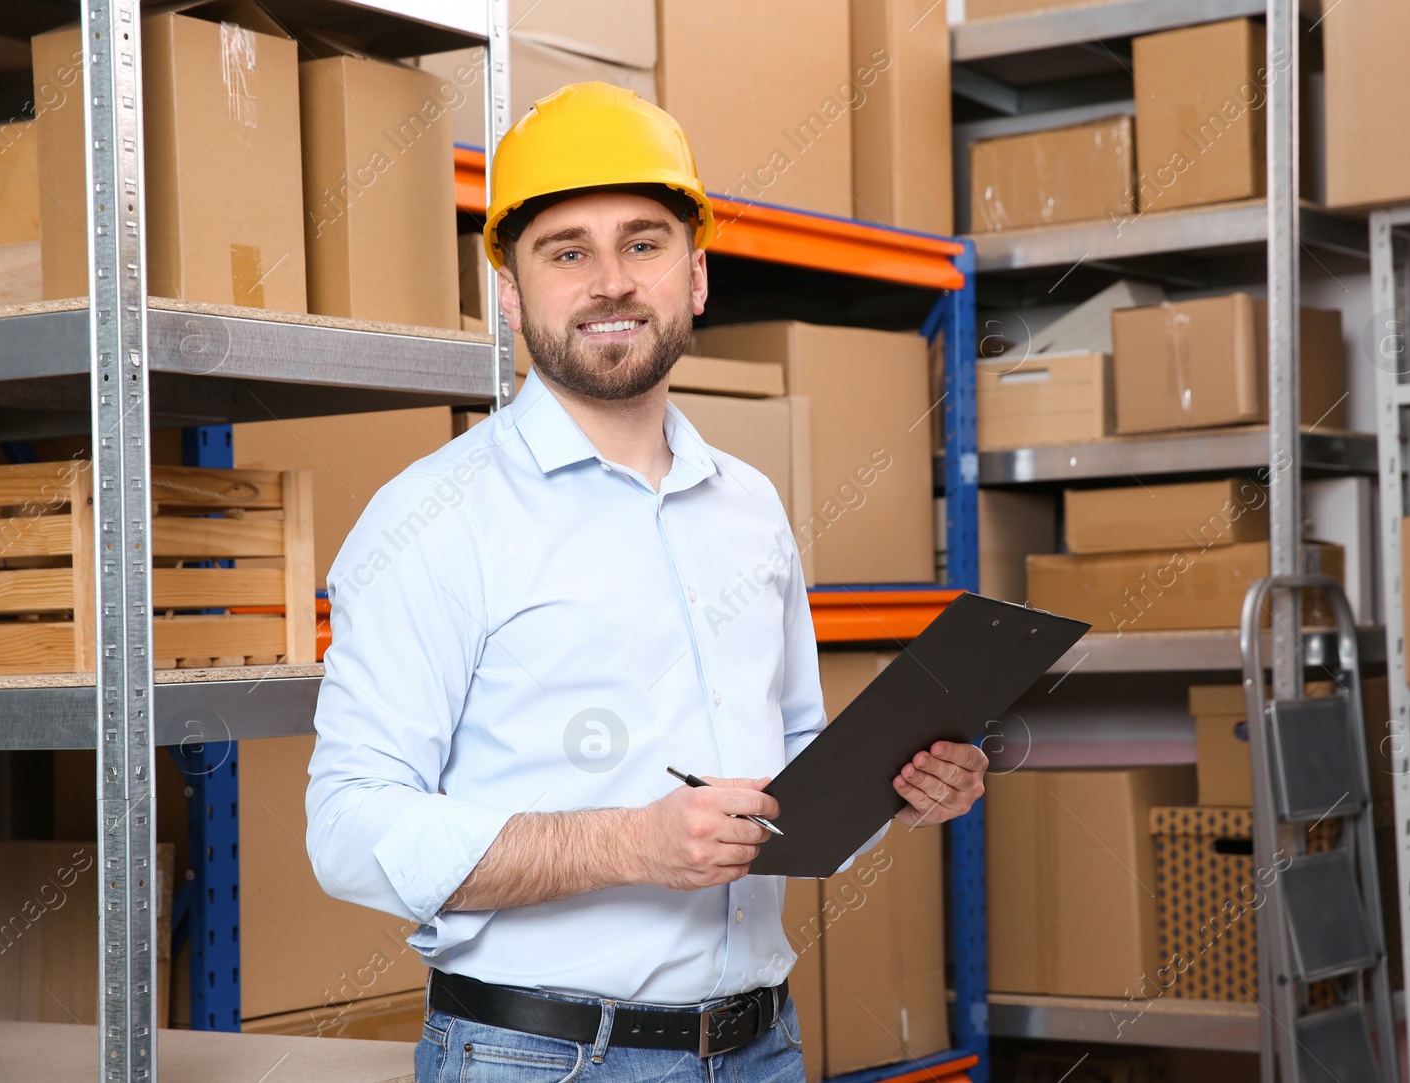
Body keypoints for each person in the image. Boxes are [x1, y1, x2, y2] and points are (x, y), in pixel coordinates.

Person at [305, 82, 988, 1083]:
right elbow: (348, 830)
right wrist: (628, 845)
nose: (610, 281)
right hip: (539, 1059)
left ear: (697, 275)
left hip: (760, 1047)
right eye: (566, 251)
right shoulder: (432, 519)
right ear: (510, 290)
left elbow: (795, 758)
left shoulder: (748, 506)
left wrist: (899, 788)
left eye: (644, 242)